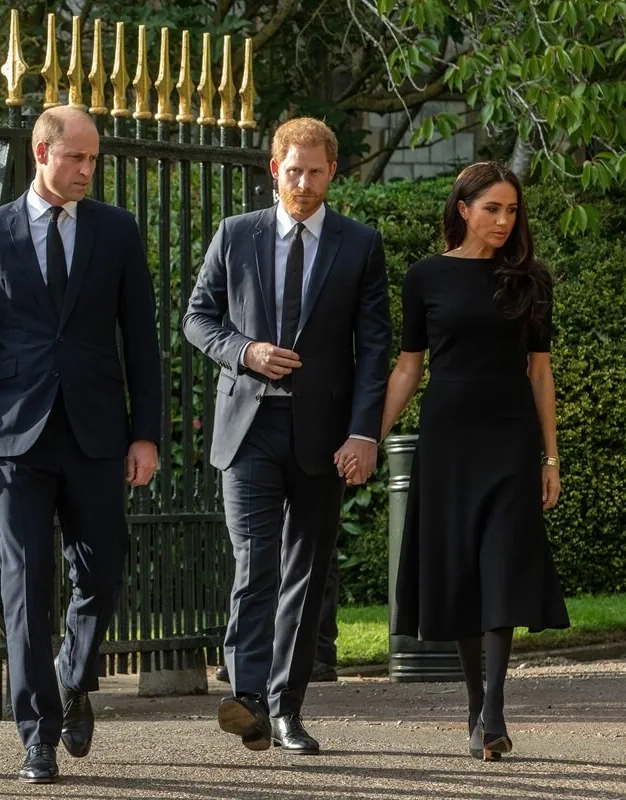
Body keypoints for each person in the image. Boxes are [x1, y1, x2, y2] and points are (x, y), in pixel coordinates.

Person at [0, 106, 162, 784]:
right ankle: (36, 735)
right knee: (25, 583)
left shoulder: (118, 232)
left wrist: (146, 433)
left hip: (98, 431)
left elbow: (141, 341)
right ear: (42, 152)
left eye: (93, 160)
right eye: (76, 158)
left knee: (102, 572)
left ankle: (74, 676)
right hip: (15, 438)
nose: (87, 170)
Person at [183, 117, 392, 754]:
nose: (303, 182)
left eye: (315, 171)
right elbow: (197, 319)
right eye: (292, 170)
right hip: (248, 427)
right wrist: (244, 351)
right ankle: (246, 696)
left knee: (306, 570)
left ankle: (285, 710)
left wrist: (364, 434)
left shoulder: (359, 245)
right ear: (274, 170)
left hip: (324, 434)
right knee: (256, 562)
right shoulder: (235, 234)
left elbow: (375, 346)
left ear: (333, 172)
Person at [370, 161, 570, 762]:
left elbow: (540, 371)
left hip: (509, 439)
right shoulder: (425, 277)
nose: (505, 221)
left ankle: (495, 710)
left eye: (512, 211)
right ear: (463, 208)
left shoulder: (531, 279)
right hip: (448, 437)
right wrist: (368, 435)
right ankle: (475, 700)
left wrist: (550, 456)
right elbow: (409, 365)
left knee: (502, 563)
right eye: (493, 209)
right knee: (457, 566)